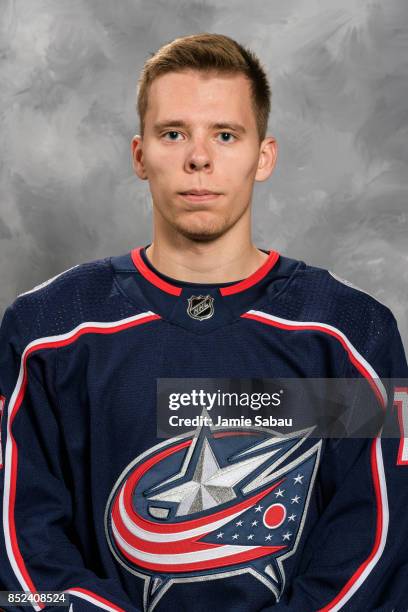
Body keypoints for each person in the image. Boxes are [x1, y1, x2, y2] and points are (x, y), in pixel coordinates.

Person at [0, 32, 407, 612]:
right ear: (140, 155)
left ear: (262, 156)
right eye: (174, 134)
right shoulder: (48, 333)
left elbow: (384, 540)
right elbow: (20, 556)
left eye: (225, 134)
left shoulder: (351, 336)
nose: (199, 157)